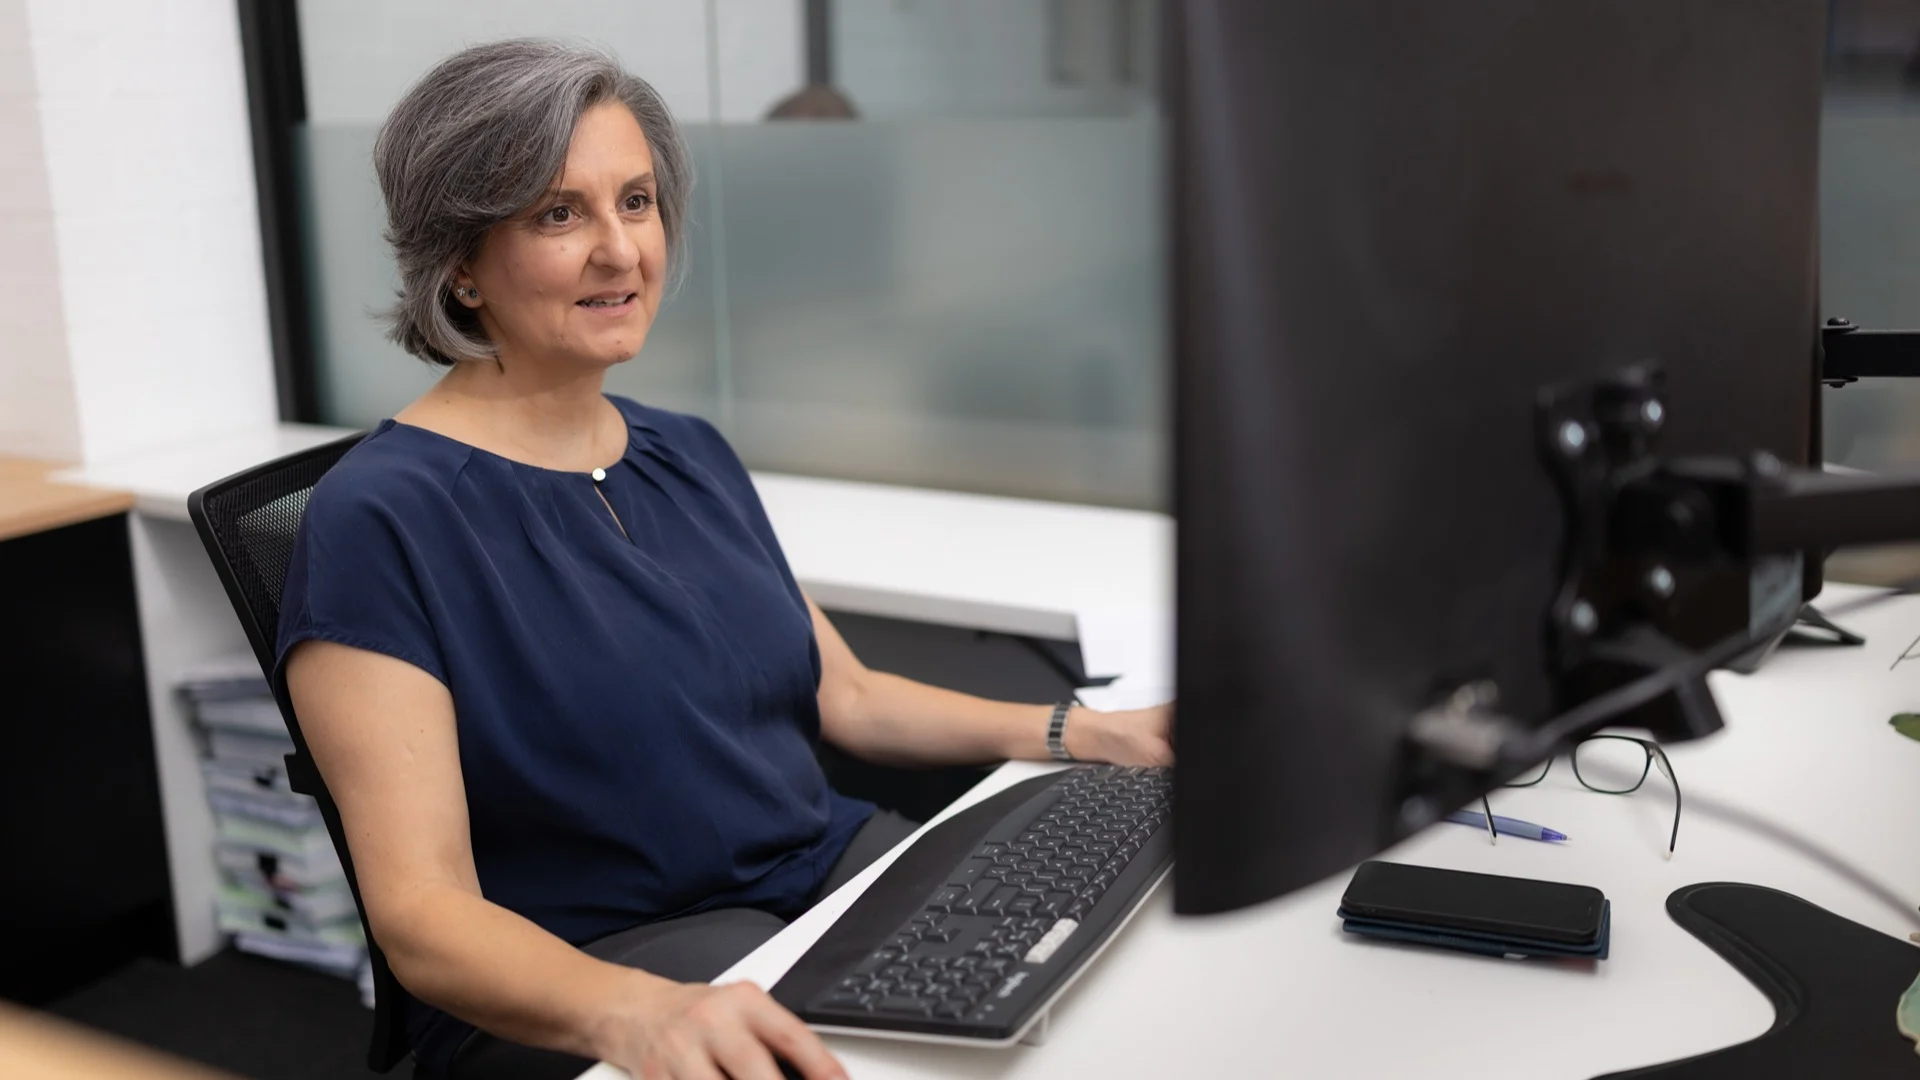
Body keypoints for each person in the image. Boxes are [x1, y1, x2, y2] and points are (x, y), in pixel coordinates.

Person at [277, 39, 1173, 1080]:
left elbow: (849, 696)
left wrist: (1084, 730)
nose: (621, 250)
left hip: (820, 876)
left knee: (1114, 977)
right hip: (608, 962)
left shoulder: (684, 451)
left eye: (638, 201)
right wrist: (637, 1016)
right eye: (558, 214)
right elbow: (422, 916)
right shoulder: (381, 519)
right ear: (461, 265)